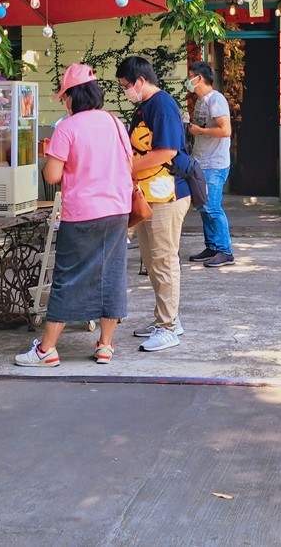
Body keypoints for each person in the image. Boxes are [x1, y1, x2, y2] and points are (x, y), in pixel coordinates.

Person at [15, 64, 133, 367]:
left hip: (81, 214)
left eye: (64, 96)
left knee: (68, 278)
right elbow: (128, 163)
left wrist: (48, 160)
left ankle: (46, 350)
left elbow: (52, 176)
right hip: (118, 210)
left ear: (73, 96)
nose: (63, 102)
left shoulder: (67, 127)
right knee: (112, 275)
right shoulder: (115, 123)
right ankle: (105, 346)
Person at [116, 55, 191, 352]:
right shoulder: (146, 107)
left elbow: (166, 151)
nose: (125, 90)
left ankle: (168, 326)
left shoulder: (161, 105)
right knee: (152, 262)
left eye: (126, 85)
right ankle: (167, 318)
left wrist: (124, 170)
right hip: (150, 195)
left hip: (166, 194)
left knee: (163, 260)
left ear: (141, 81)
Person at [185, 61, 234, 267]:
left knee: (212, 207)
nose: (188, 81)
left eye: (190, 77)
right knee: (204, 207)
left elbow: (225, 130)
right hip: (201, 162)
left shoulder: (216, 99)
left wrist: (200, 131)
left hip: (215, 163)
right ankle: (212, 246)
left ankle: (225, 251)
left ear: (199, 78)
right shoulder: (201, 101)